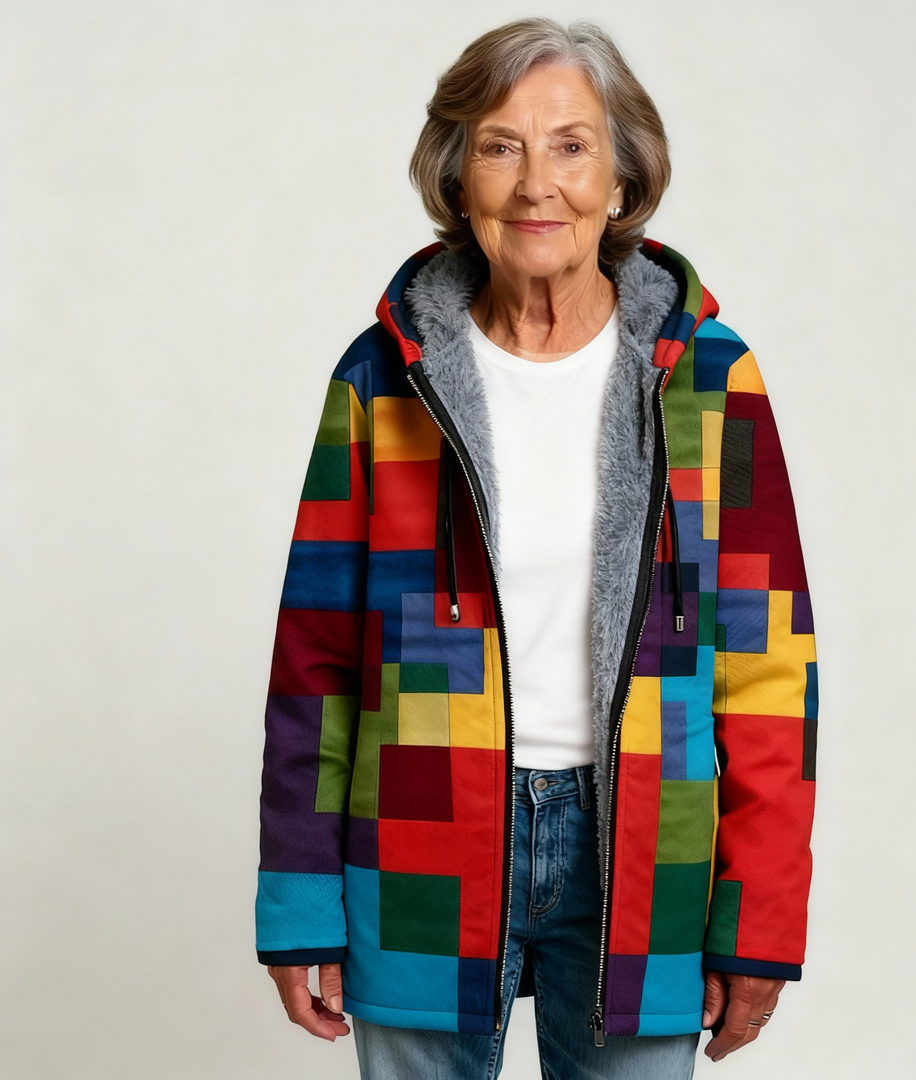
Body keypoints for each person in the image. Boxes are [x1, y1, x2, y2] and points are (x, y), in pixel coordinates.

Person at [256, 18, 817, 1079]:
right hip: (421, 835)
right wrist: (299, 903)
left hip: (645, 845)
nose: (534, 184)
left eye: (570, 146)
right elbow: (315, 662)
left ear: (622, 180)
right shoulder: (382, 378)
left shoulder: (711, 382)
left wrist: (760, 919)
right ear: (457, 176)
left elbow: (770, 668)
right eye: (500, 146)